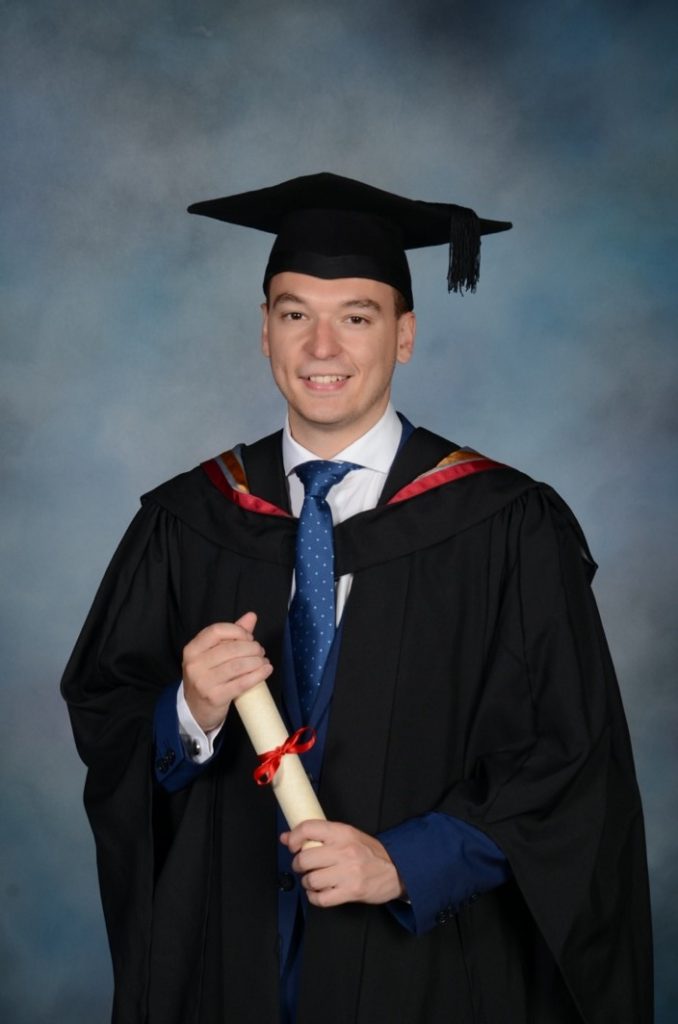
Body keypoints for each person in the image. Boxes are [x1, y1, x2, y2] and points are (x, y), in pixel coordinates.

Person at [61, 173, 653, 1024]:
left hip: (429, 974)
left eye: (358, 317)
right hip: (228, 967)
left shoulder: (505, 526)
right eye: (296, 314)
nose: (322, 349)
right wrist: (188, 710)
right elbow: (108, 720)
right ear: (263, 332)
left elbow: (570, 765)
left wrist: (406, 863)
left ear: (405, 336)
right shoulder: (190, 520)